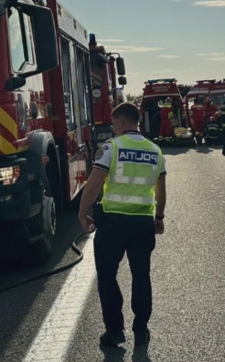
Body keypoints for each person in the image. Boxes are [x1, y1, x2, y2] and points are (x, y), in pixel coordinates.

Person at [77, 102, 167, 348]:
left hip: (113, 222)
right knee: (141, 276)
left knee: (107, 276)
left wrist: (83, 212)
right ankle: (141, 328)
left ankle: (114, 331)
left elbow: (94, 183)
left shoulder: (111, 148)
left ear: (123, 121)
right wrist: (159, 217)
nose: (113, 127)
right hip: (142, 223)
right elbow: (161, 188)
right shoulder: (155, 150)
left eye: (114, 122)